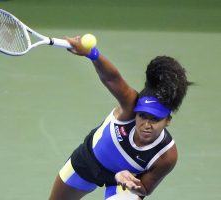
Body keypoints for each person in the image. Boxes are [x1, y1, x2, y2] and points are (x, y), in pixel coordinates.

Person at [49, 36, 192, 200]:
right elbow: (112, 78)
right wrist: (92, 54)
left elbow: (145, 187)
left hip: (123, 183)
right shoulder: (130, 105)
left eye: (155, 119)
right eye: (142, 116)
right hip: (88, 160)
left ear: (167, 121)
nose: (146, 124)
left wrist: (130, 183)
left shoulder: (166, 155)